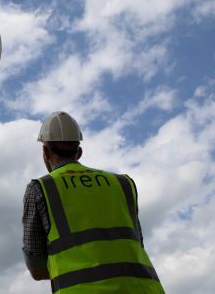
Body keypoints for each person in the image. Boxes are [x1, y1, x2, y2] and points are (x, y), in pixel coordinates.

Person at [22, 111, 164, 293]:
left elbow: (37, 268)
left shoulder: (40, 188)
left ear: (45, 151)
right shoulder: (123, 183)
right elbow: (136, 245)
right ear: (79, 152)